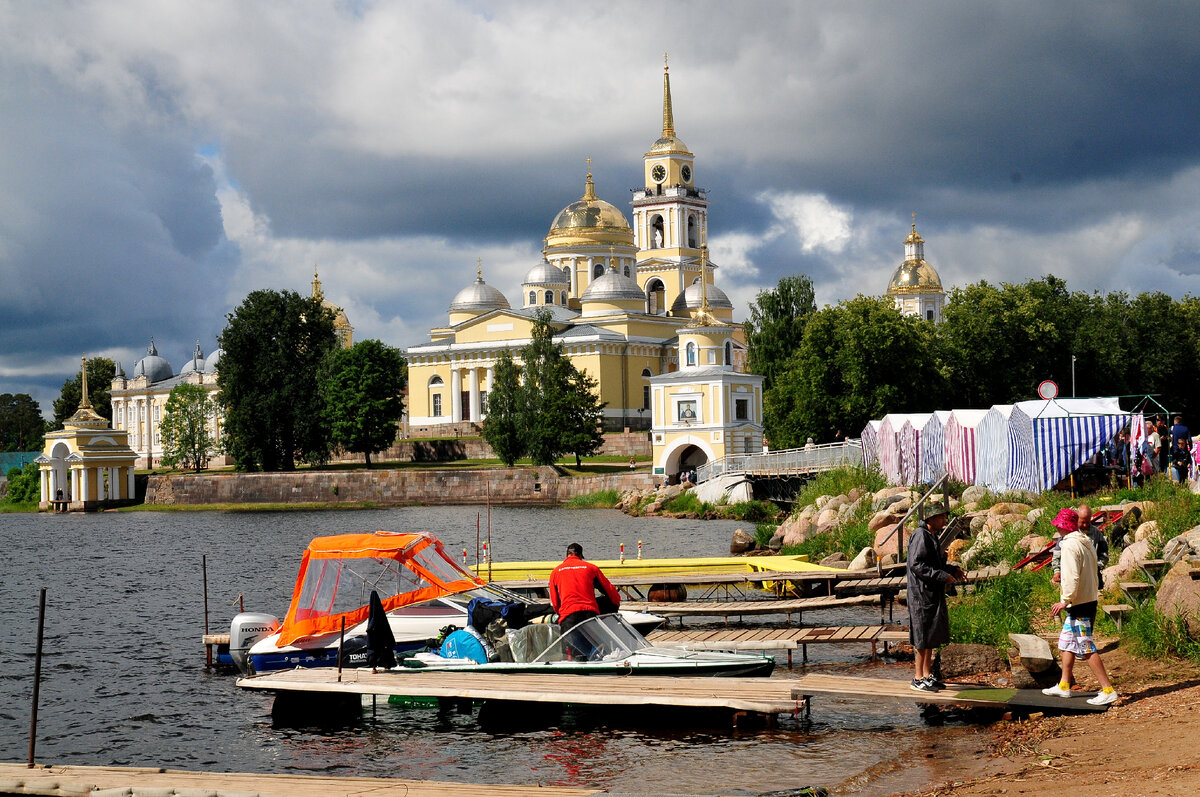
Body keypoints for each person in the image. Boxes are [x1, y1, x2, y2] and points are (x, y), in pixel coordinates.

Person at [1042, 508, 1119, 706]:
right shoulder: (1086, 541)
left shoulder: (1069, 546)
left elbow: (1072, 576)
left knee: (1085, 647)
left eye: (1059, 525)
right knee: (1067, 641)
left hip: (1079, 604)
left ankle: (1108, 690)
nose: (1057, 528)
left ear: (1063, 526)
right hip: (1088, 599)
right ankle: (1064, 685)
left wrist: (1065, 600)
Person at [906, 502, 963, 692]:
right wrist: (941, 576)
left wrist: (953, 570)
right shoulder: (920, 535)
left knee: (930, 634)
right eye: (941, 517)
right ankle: (917, 678)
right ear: (930, 518)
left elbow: (936, 564)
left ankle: (927, 675)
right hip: (920, 594)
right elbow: (917, 564)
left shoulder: (932, 536)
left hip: (930, 593)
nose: (944, 520)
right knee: (922, 636)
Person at [548, 543, 621, 634]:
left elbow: (555, 603)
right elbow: (613, 595)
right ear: (580, 555)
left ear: (566, 555)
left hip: (568, 616)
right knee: (592, 646)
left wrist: (561, 615)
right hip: (589, 614)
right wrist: (614, 607)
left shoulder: (555, 573)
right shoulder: (591, 568)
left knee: (570, 648)